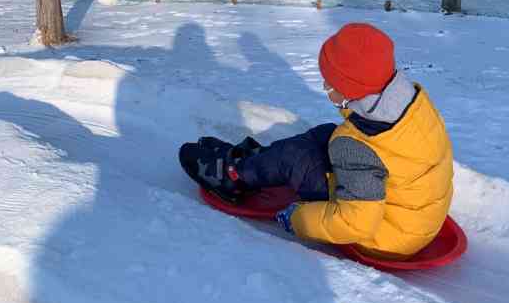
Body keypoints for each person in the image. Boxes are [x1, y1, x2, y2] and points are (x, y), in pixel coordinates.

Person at [179, 23, 454, 258]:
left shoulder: (356, 146)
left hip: (386, 237)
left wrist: (298, 219)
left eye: (329, 83)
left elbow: (357, 224)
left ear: (349, 90)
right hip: (417, 217)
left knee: (299, 157)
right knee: (326, 134)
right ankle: (261, 163)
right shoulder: (414, 104)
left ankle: (233, 175)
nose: (325, 88)